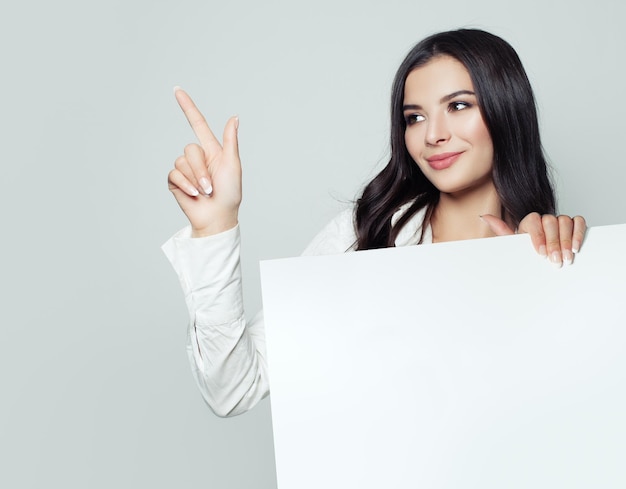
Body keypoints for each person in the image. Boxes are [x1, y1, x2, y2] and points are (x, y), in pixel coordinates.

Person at [162, 29, 586, 417]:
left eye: (458, 106)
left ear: (506, 110)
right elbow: (232, 389)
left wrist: (546, 282)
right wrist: (214, 228)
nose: (432, 135)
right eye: (414, 117)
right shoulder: (365, 234)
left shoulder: (550, 248)